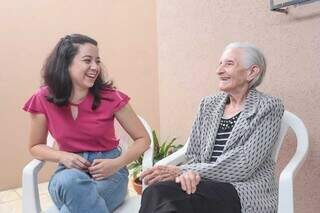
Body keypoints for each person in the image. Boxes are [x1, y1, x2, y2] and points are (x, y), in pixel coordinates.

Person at [139, 42, 284, 213]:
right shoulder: (208, 104)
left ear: (252, 72)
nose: (219, 70)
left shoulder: (269, 107)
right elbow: (193, 153)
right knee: (156, 193)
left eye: (229, 64)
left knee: (165, 198)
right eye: (220, 64)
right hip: (204, 184)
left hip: (243, 190)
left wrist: (185, 170)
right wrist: (189, 174)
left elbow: (243, 165)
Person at [23, 34, 150, 213]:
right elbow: (35, 146)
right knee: (70, 182)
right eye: (87, 60)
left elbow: (143, 139)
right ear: (66, 63)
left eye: (97, 61)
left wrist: (116, 164)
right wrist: (63, 157)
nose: (95, 67)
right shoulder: (43, 98)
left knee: (71, 208)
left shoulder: (110, 97)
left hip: (111, 174)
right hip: (68, 173)